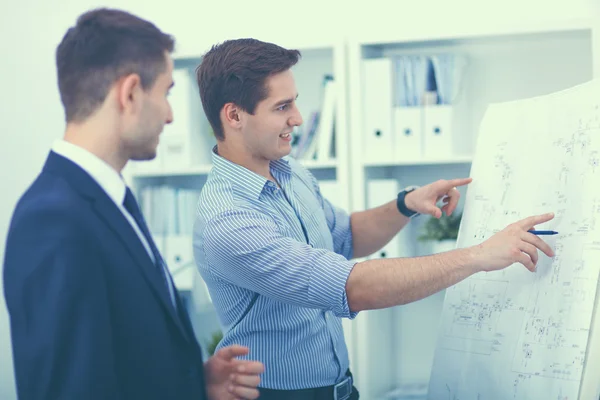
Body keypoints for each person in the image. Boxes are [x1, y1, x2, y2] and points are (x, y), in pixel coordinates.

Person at [192, 38, 555, 399]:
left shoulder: (290, 173)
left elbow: (346, 236)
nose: (298, 119)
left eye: (295, 102)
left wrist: (406, 204)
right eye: (281, 106)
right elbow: (352, 287)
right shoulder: (227, 221)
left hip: (340, 388)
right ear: (235, 115)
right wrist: (479, 256)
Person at [2, 9, 264, 400]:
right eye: (166, 92)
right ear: (129, 94)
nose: (171, 114)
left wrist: (194, 382)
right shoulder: (53, 220)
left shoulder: (107, 200)